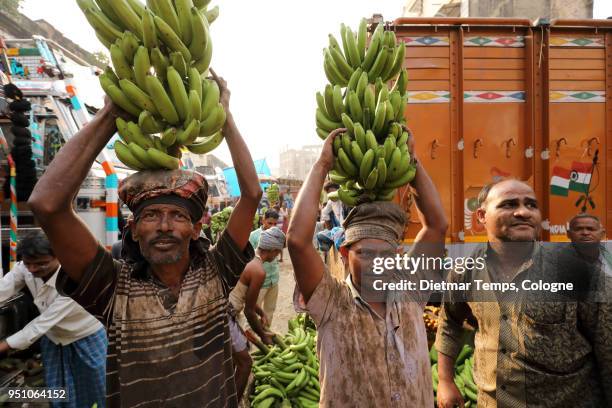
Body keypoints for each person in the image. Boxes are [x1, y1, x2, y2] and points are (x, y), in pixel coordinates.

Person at [28, 71, 262, 407]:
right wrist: (109, 116)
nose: (164, 226)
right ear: (135, 229)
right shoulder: (113, 288)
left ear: (196, 229)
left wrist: (226, 118)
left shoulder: (215, 271)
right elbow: (47, 206)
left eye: (178, 216)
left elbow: (251, 195)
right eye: (151, 216)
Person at [287, 127, 448, 407]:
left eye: (385, 254)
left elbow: (436, 226)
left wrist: (412, 161)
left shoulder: (409, 290)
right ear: (345, 252)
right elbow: (298, 241)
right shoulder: (331, 302)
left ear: (398, 254)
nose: (377, 263)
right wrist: (322, 165)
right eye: (365, 253)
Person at [435, 179, 612, 408]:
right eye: (509, 205)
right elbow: (449, 321)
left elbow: (608, 347)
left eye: (531, 205)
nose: (523, 212)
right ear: (481, 216)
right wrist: (445, 380)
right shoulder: (465, 273)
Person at [0, 231, 106, 408]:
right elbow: (4, 289)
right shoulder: (24, 268)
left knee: (99, 388)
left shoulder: (75, 277)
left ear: (59, 257)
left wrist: (4, 345)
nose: (33, 269)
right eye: (29, 264)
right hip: (54, 338)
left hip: (86, 335)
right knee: (59, 392)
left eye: (41, 264)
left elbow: (41, 324)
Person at [228, 227, 286, 399]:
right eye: (278, 252)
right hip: (226, 316)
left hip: (222, 310)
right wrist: (263, 335)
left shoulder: (247, 258)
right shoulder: (259, 271)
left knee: (232, 360)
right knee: (246, 364)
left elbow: (248, 299)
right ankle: (234, 403)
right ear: (274, 251)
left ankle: (225, 395)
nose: (277, 256)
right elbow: (248, 311)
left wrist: (261, 312)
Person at [249, 209, 282, 326]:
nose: (272, 226)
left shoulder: (278, 235)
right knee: (255, 313)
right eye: (269, 223)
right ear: (263, 220)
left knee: (269, 311)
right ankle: (255, 338)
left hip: (274, 280)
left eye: (275, 224)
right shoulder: (254, 236)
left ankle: (267, 336)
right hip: (259, 283)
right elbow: (248, 259)